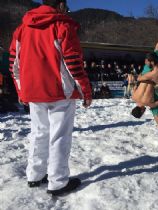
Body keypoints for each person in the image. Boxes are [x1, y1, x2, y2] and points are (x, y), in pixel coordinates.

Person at [9, 0, 92, 196]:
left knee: (39, 133)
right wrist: (85, 91)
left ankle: (35, 175)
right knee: (59, 136)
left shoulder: (22, 29)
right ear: (61, 5)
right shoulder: (62, 25)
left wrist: (21, 90)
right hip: (59, 91)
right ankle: (58, 181)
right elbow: (73, 62)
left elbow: (14, 64)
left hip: (33, 90)